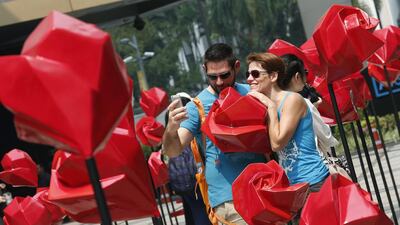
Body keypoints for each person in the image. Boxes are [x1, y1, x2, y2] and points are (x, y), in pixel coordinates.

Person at [162, 43, 266, 225]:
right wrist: (170, 130)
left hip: (264, 188)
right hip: (228, 198)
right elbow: (173, 151)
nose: (219, 82)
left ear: (236, 67)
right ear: (204, 70)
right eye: (212, 76)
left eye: (224, 75)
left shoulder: (253, 93)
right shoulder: (197, 106)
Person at [246, 52, 329, 224]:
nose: (249, 79)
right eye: (247, 74)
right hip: (293, 190)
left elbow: (277, 143)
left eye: (255, 74)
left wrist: (269, 106)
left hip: (314, 182)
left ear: (273, 76)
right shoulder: (264, 105)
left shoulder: (292, 100)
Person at [163, 92, 211, 225]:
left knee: (193, 211)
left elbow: (167, 148)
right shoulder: (191, 116)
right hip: (194, 176)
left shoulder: (171, 117)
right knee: (202, 210)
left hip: (180, 180)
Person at [280, 54, 338, 157]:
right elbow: (326, 137)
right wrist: (313, 110)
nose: (306, 78)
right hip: (313, 165)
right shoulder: (304, 103)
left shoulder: (272, 105)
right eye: (305, 73)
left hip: (288, 168)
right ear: (297, 76)